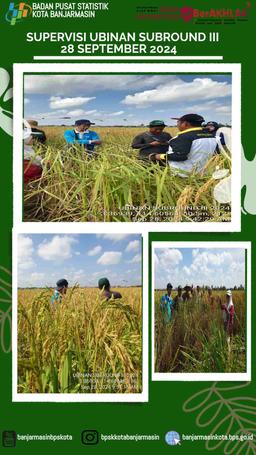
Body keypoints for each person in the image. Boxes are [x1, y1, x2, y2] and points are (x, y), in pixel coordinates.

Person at [149, 114, 217, 175]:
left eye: (178, 122)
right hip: (204, 173)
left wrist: (158, 156)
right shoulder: (211, 136)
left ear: (185, 124)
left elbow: (179, 156)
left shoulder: (182, 137)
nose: (177, 125)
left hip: (184, 174)